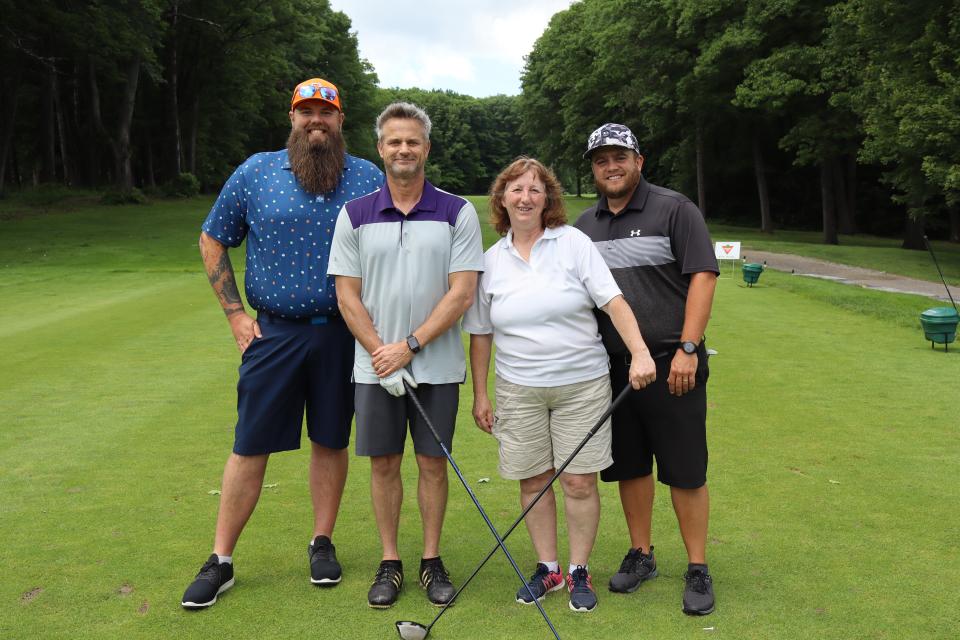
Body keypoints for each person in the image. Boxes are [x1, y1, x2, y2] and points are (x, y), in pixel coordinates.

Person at [181, 78, 384, 609]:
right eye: (306, 112)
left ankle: (322, 542)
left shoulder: (366, 177)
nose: (316, 120)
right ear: (292, 118)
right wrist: (233, 315)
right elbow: (212, 236)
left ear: (341, 120)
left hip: (344, 333)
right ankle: (221, 559)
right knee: (250, 443)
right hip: (273, 333)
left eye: (326, 112)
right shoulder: (257, 171)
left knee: (331, 439)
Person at [463, 157, 656, 613]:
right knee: (533, 480)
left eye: (534, 189)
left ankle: (578, 571)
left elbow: (613, 301)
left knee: (579, 482)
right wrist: (480, 393)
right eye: (516, 189)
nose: (525, 197)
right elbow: (481, 334)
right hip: (518, 387)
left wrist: (641, 352)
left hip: (581, 384)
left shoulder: (573, 244)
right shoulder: (490, 262)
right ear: (502, 199)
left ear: (547, 197)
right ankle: (547, 567)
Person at [327, 102, 484, 609]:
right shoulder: (354, 214)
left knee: (433, 464)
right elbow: (347, 296)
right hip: (375, 370)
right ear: (380, 149)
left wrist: (409, 346)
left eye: (412, 141)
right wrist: (382, 354)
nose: (403, 150)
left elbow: (461, 293)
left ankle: (431, 560)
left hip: (435, 366)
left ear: (426, 149)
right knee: (384, 465)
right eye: (394, 141)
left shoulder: (457, 211)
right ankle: (390, 560)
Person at [574, 123, 720, 615]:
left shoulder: (674, 209)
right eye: (600, 160)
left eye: (619, 156)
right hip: (612, 368)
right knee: (630, 466)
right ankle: (642, 554)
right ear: (593, 169)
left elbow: (702, 276)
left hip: (671, 361)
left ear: (639, 161)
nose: (610, 166)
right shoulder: (583, 227)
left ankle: (697, 565)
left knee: (684, 469)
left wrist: (689, 346)